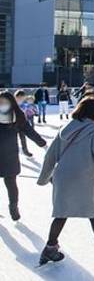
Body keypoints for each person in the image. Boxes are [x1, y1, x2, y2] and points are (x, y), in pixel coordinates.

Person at [37, 97, 94, 266]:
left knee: (61, 213)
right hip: (83, 177)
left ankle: (50, 248)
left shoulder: (65, 128)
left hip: (62, 176)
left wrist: (44, 178)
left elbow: (50, 155)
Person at [0, 91, 46, 222]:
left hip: (9, 155)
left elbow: (29, 131)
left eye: (5, 102)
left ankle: (13, 207)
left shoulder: (17, 115)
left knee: (11, 183)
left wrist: (42, 143)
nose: (2, 105)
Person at [16, 90, 38, 157]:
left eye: (23, 98)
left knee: (23, 138)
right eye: (21, 98)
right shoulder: (13, 104)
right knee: (13, 140)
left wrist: (33, 110)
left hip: (22, 124)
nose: (22, 100)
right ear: (17, 97)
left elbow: (31, 110)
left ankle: (25, 151)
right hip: (13, 125)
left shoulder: (24, 105)